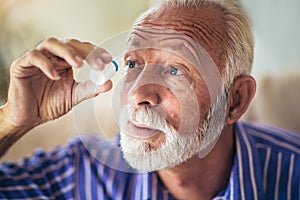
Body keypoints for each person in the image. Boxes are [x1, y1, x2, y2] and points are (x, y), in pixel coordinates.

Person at [0, 0, 299, 199]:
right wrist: (13, 118)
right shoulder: (84, 173)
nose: (137, 94)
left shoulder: (292, 175)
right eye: (133, 64)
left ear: (235, 101)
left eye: (175, 70)